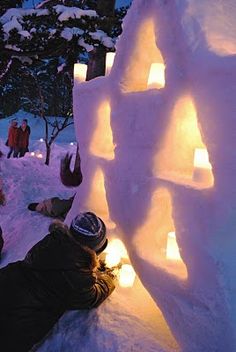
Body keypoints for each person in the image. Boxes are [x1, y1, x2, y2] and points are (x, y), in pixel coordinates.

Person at [0, 212, 116, 351]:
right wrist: (109, 276)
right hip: (17, 323)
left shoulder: (52, 240)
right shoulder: (77, 278)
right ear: (93, 251)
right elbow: (93, 296)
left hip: (7, 282)